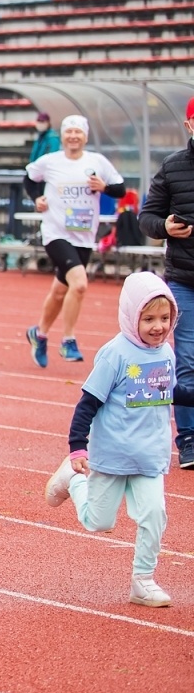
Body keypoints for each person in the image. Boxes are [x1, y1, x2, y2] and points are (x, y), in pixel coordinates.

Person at [44, 272, 178, 608]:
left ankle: (143, 581)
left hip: (150, 457)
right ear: (132, 316)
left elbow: (171, 392)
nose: (158, 326)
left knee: (154, 515)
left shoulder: (166, 354)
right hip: (113, 454)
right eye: (148, 319)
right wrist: (77, 446)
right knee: (98, 522)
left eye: (164, 318)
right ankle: (73, 480)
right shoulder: (114, 354)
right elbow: (87, 403)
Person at [23, 115, 125, 368]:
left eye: (78, 132)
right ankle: (68, 340)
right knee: (79, 284)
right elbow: (28, 178)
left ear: (85, 136)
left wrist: (103, 187)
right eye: (69, 132)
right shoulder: (50, 162)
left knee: (61, 290)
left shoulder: (97, 162)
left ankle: (40, 333)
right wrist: (37, 198)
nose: (73, 136)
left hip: (83, 235)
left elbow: (120, 188)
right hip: (55, 232)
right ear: (63, 136)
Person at [138, 97, 194, 470]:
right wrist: (165, 228)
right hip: (184, 281)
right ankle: (188, 439)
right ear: (190, 124)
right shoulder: (173, 167)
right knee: (187, 360)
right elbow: (147, 217)